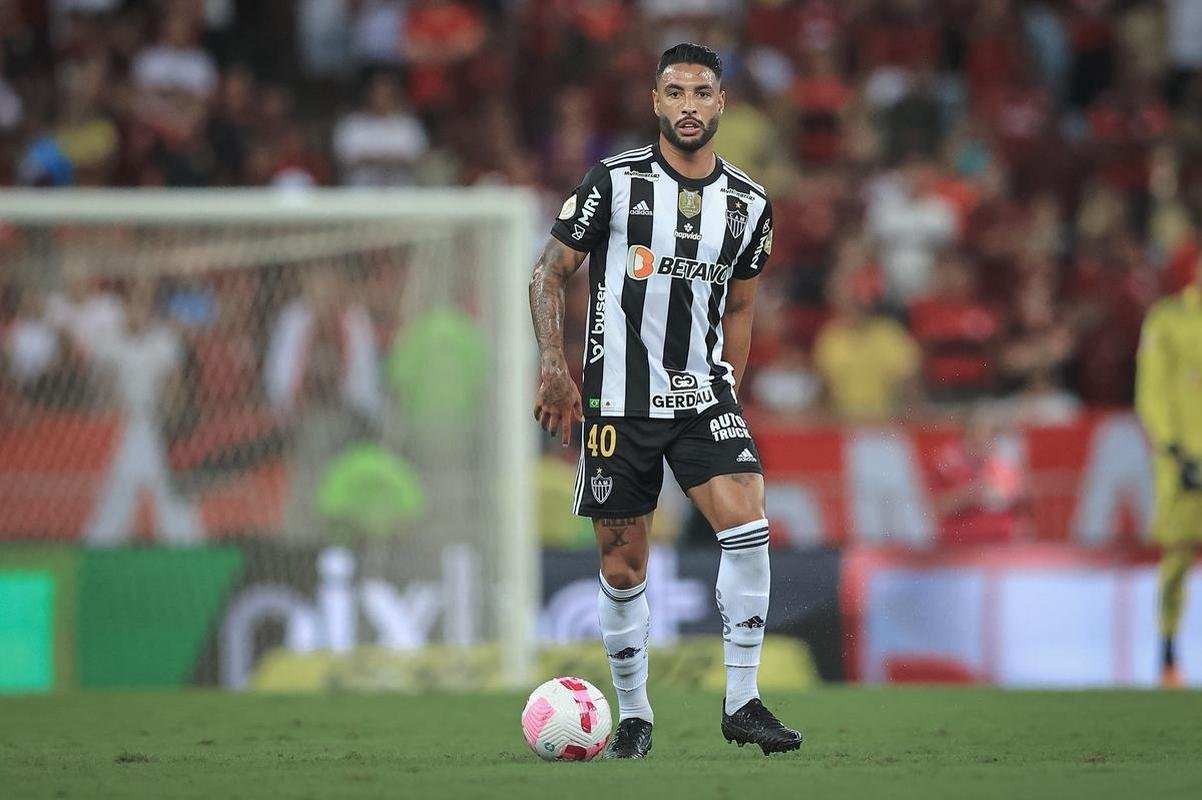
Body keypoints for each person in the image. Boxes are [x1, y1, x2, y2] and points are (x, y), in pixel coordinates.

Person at [528, 43, 801, 758]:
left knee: (747, 517)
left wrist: (729, 389)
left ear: (721, 104)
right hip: (618, 404)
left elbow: (741, 305)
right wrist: (555, 368)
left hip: (704, 398)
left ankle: (743, 701)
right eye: (674, 92)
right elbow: (548, 274)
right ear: (656, 102)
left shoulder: (748, 203)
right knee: (624, 568)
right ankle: (637, 716)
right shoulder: (612, 183)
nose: (687, 105)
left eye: (701, 92)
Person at [1135, 250, 1202, 688]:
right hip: (1183, 459)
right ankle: (1168, 656)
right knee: (1176, 556)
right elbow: (1151, 389)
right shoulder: (1168, 318)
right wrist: (1173, 447)